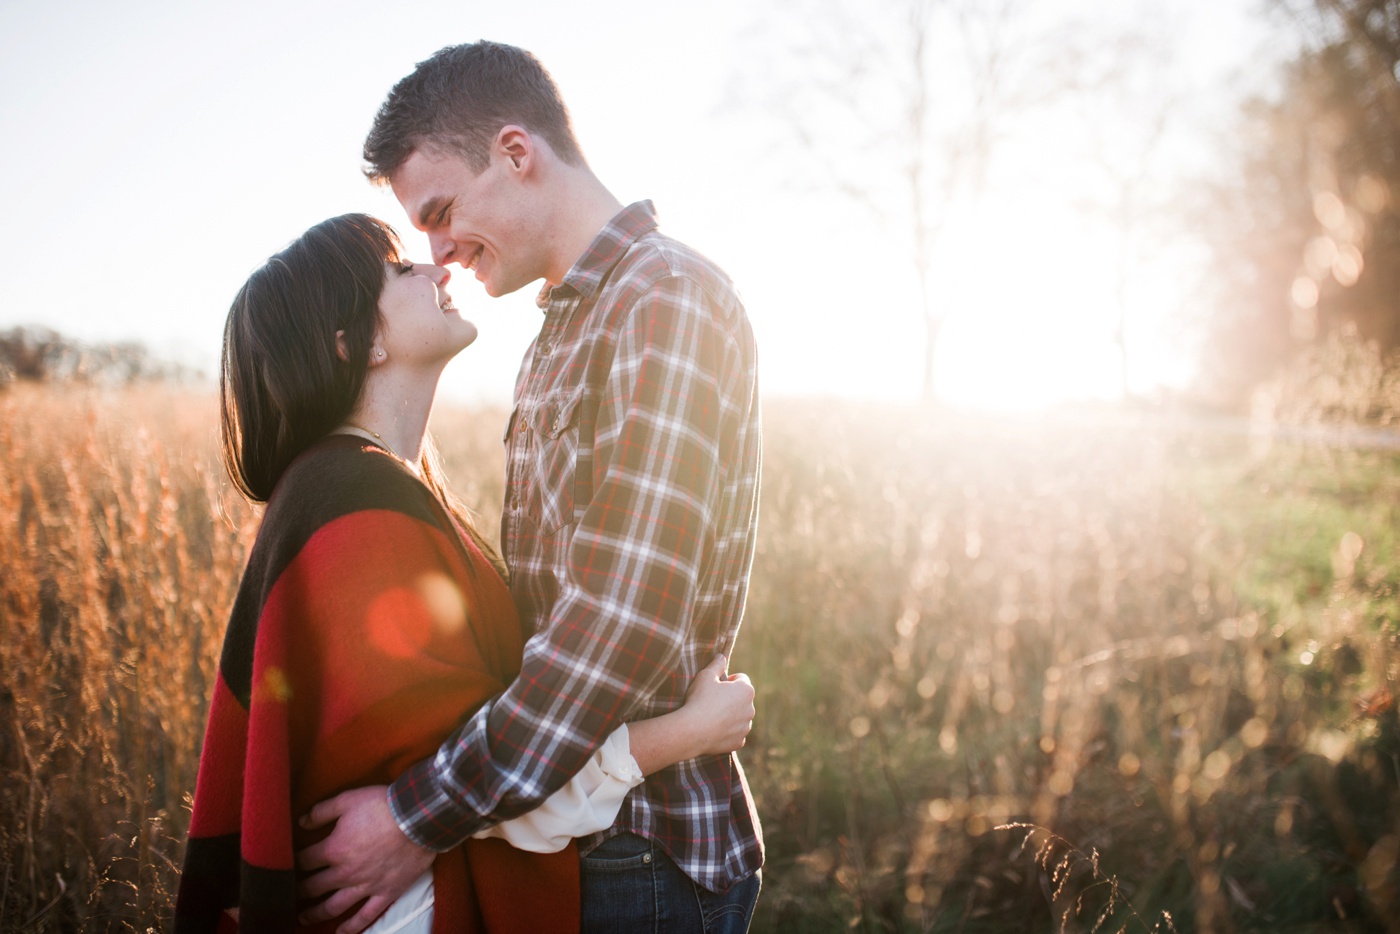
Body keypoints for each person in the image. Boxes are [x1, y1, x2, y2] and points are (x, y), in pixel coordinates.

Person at [174, 214, 757, 934]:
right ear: (357, 341)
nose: (437, 269)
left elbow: (469, 768)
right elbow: (484, 797)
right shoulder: (357, 506)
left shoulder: (373, 490)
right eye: (399, 270)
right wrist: (687, 733)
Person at [296, 41, 765, 933]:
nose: (438, 253)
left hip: (643, 849)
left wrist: (417, 815)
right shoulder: (563, 327)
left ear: (516, 153)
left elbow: (621, 620)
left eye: (440, 211)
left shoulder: (664, 297)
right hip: (565, 834)